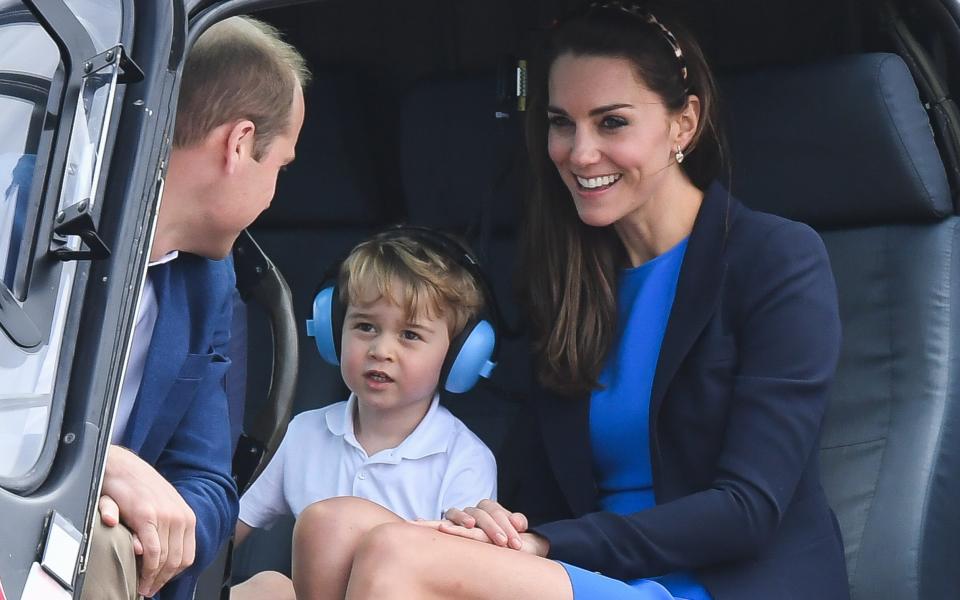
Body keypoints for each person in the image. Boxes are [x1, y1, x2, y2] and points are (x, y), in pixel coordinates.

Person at [305, 2, 850, 599]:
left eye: (612, 122)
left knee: (396, 556)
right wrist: (498, 525)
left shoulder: (777, 259)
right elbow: (540, 482)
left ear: (684, 124)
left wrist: (548, 543)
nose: (579, 152)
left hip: (721, 586)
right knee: (332, 526)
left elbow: (747, 508)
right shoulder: (572, 279)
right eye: (562, 122)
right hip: (590, 573)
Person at [80, 16, 309, 600]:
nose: (275, 193)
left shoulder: (209, 282)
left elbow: (206, 478)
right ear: (238, 145)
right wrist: (94, 461)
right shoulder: (22, 214)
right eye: (280, 165)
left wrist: (154, 525)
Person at [230, 227, 498, 600]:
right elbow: (228, 530)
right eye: (365, 326)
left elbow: (464, 582)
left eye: (410, 335)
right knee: (266, 589)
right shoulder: (303, 434)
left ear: (458, 357)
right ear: (333, 331)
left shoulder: (464, 459)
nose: (381, 349)